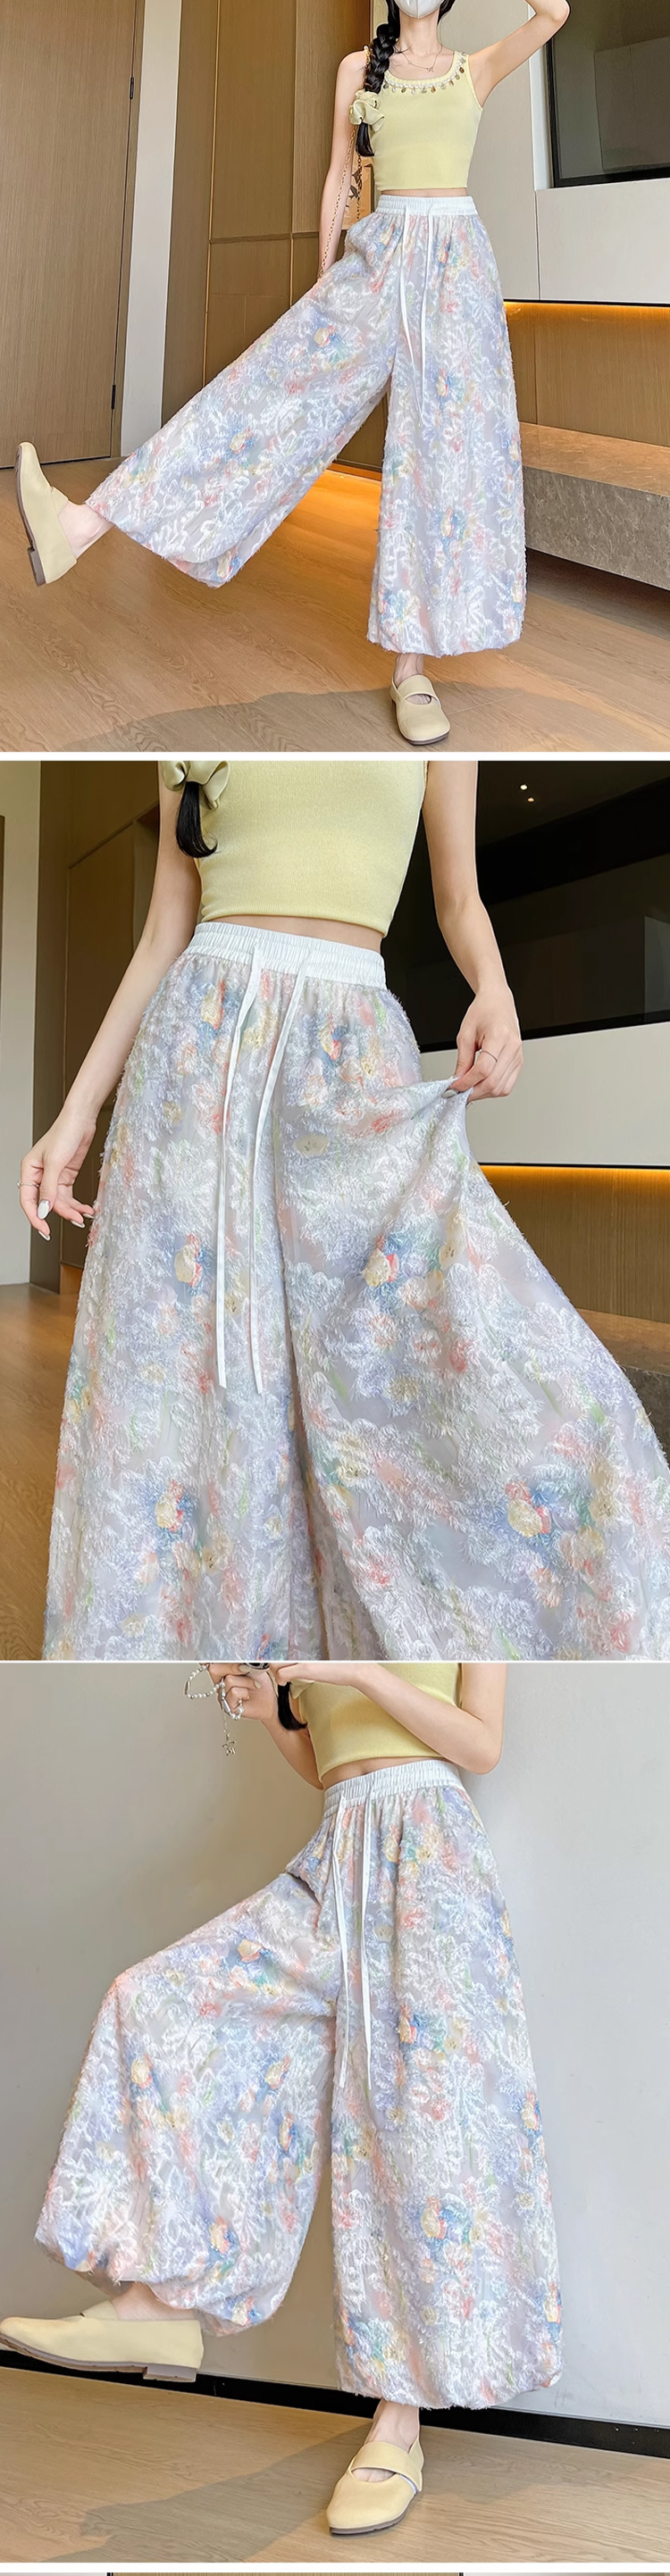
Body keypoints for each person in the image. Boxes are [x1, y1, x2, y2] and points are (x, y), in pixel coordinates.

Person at [20, 757, 670, 1661]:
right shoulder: (192, 716)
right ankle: (202, 1686)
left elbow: (458, 898)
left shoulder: (432, 712)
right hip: (197, 1066)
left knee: (439, 1371)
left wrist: (494, 985)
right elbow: (166, 927)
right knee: (192, 1397)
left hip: (351, 1057)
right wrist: (77, 1109)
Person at [0, 1659, 562, 2542]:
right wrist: (273, 1712)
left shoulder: (461, 1594)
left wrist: (355, 1671)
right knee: (156, 2000)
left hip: (430, 1853)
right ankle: (159, 2305)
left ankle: (398, 2424)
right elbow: (333, 1764)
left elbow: (479, 1744)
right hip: (335, 1850)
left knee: (408, 2137)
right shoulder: (314, 1606)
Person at [14, 0, 568, 744]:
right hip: (377, 261)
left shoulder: (476, 68)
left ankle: (412, 668)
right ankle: (82, 525)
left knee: (443, 460)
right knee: (261, 399)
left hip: (457, 272)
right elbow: (340, 177)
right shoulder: (359, 70)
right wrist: (322, 278)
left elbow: (555, 12)